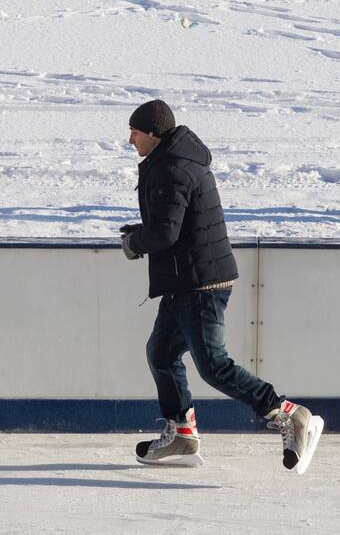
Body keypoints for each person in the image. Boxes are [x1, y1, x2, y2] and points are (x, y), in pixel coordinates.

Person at [121, 99, 323, 472]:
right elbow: (173, 224)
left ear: (151, 134)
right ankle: (182, 434)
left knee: (213, 365)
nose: (130, 139)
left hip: (199, 283)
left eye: (134, 132)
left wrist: (135, 243)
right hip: (188, 278)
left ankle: (288, 414)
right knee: (161, 353)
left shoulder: (173, 168)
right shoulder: (174, 161)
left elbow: (165, 233)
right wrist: (140, 234)